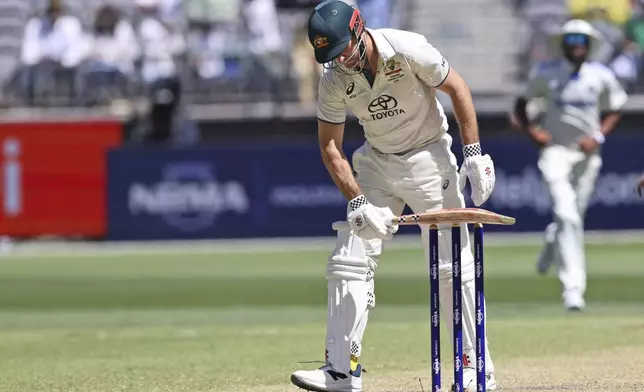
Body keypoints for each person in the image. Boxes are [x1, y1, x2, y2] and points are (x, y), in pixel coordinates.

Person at [289, 1, 497, 391]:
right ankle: (341, 370)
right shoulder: (333, 78)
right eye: (330, 56)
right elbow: (330, 147)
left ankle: (474, 367)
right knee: (349, 258)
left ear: (358, 29)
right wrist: (357, 201)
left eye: (342, 49)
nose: (340, 61)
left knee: (454, 268)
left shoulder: (405, 47)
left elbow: (457, 88)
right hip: (376, 163)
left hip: (430, 157)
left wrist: (473, 154)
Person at [514, 19, 627, 311]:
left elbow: (615, 109)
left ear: (589, 45)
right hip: (555, 152)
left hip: (587, 155)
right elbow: (521, 103)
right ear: (564, 43)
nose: (577, 44)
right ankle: (573, 289)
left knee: (571, 216)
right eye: (572, 38)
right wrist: (532, 131)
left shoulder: (601, 75)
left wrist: (598, 136)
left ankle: (553, 238)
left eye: (582, 39)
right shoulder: (547, 73)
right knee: (567, 214)